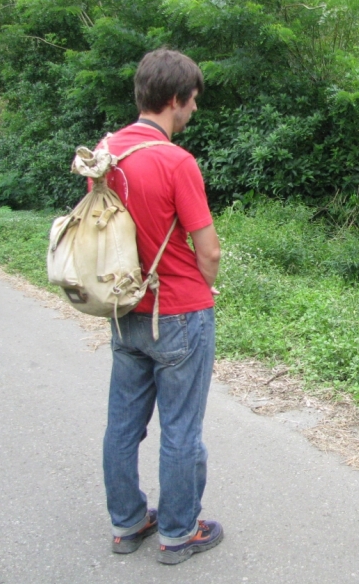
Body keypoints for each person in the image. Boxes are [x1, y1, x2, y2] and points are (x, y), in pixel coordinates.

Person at [98, 48, 223, 565]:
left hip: (124, 309)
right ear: (175, 99)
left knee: (123, 426)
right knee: (181, 430)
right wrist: (208, 287)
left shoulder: (106, 154)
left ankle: (128, 523)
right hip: (178, 315)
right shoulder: (175, 160)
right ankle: (177, 532)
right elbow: (208, 250)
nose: (193, 111)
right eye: (192, 102)